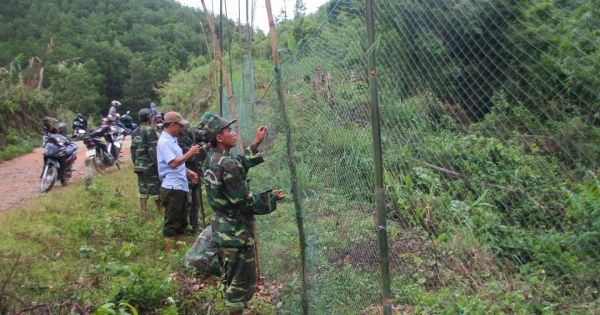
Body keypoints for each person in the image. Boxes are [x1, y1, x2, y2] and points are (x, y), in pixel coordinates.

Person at [203, 115, 285, 314]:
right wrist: (271, 199)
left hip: (222, 230)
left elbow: (237, 165)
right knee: (238, 288)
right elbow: (243, 202)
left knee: (232, 280)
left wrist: (256, 143)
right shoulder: (226, 164)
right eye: (228, 131)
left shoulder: (211, 159)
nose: (233, 134)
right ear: (219, 138)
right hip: (236, 234)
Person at [157, 111, 201, 254]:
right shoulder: (164, 142)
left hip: (180, 186)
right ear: (173, 125)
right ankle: (171, 257)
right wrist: (190, 153)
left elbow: (177, 162)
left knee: (182, 222)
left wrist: (188, 172)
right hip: (172, 188)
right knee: (172, 223)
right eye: (180, 127)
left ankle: (181, 253)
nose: (183, 129)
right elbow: (173, 163)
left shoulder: (172, 140)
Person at [130, 108, 163, 216]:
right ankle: (161, 212)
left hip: (139, 166)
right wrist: (158, 165)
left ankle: (143, 212)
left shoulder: (134, 132)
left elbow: (133, 150)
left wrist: (136, 163)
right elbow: (153, 150)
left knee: (142, 189)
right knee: (155, 188)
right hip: (149, 166)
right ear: (149, 118)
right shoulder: (150, 130)